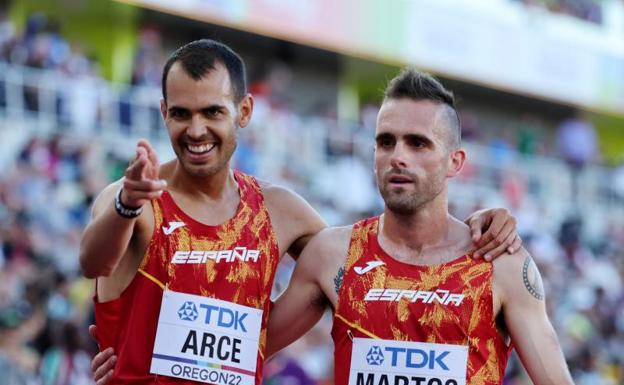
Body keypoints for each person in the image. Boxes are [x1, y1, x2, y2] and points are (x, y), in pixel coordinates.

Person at [82, 40, 521, 385]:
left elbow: (371, 265)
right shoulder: (135, 197)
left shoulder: (280, 211)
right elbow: (93, 262)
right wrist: (127, 205)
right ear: (163, 114)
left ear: (244, 112)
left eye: (213, 112)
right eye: (181, 114)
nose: (196, 130)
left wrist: (473, 226)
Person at [263, 69, 574, 385]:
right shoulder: (332, 255)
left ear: (455, 161)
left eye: (417, 144)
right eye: (386, 142)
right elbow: (242, 355)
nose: (398, 156)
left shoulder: (500, 264)